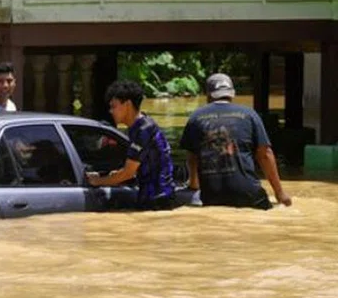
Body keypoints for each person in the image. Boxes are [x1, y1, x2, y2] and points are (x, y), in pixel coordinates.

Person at [180, 72, 292, 210]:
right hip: (249, 194)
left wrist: (193, 185)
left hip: (212, 196)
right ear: (232, 93)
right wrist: (280, 193)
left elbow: (192, 157)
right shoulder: (249, 114)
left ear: (208, 94)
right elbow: (265, 154)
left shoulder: (195, 117)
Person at [86, 80, 176, 210]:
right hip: (152, 196)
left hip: (157, 199)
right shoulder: (137, 127)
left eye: (114, 106)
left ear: (127, 104)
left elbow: (127, 173)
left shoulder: (144, 130)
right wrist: (105, 175)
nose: (111, 111)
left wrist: (97, 181)